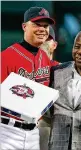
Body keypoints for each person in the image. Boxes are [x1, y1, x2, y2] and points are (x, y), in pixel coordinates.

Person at [0, 6, 54, 150]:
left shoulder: (44, 58)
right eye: (37, 24)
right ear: (24, 26)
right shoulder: (6, 57)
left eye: (45, 26)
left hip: (33, 132)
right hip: (7, 130)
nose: (42, 29)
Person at [38, 26, 59, 150]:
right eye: (42, 38)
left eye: (48, 39)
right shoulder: (26, 65)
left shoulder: (61, 69)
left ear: (54, 45)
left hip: (50, 124)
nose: (44, 41)